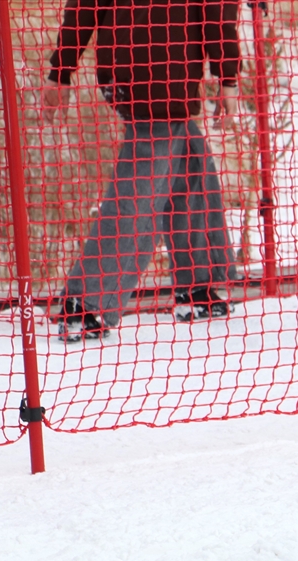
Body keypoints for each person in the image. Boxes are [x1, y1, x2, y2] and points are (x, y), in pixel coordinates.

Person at [43, 0, 242, 343]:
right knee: (141, 188)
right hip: (167, 73)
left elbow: (84, 5)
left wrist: (62, 69)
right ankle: (86, 302)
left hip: (122, 70)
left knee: (188, 161)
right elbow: (216, 9)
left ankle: (199, 287)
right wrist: (227, 76)